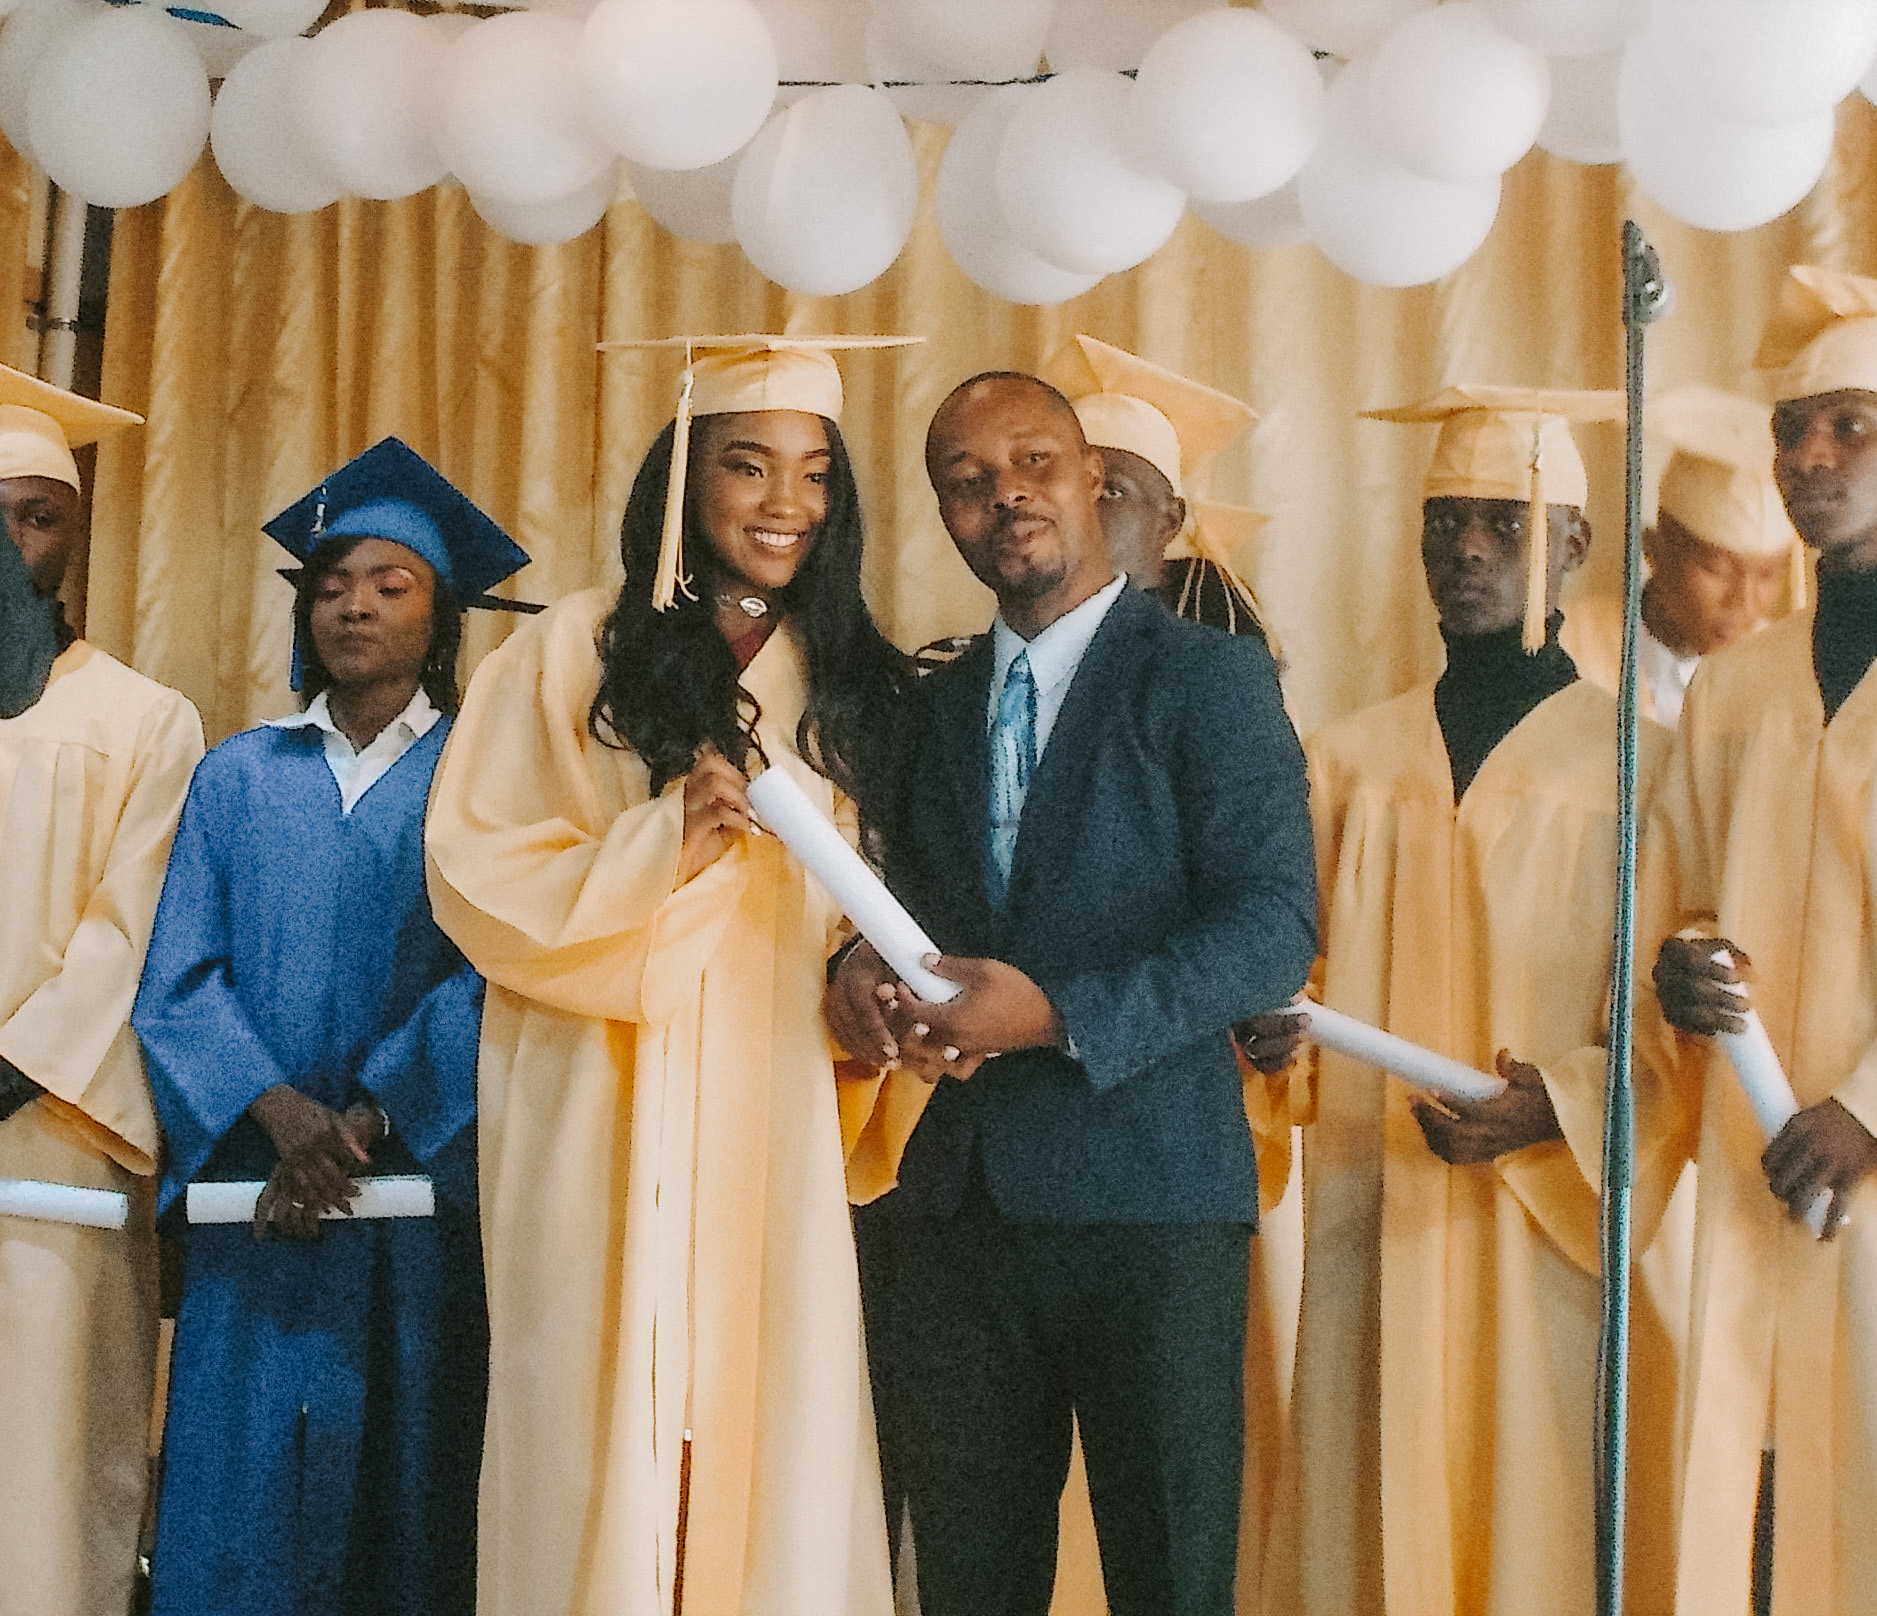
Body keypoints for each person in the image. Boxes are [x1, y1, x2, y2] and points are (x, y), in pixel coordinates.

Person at [424, 337, 914, 1616]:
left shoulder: (857, 678)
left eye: (813, 473)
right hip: (595, 1087)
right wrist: (663, 839)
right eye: (747, 465)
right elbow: (476, 867)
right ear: (686, 477)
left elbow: (888, 907)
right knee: (597, 1403)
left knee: (773, 1408)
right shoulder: (567, 649)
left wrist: (869, 972)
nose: (783, 503)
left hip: (775, 1095)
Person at [827, 370, 1317, 1616]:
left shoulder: (1206, 680)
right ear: (942, 512)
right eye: (966, 481)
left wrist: (1049, 1011)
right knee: (968, 1582)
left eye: (1031, 462)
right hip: (952, 1216)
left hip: (1151, 1203)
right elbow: (890, 912)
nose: (1006, 496)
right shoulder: (922, 709)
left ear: (1091, 476)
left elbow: (1271, 928)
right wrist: (862, 980)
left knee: (1166, 1575)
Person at [1240, 385, 1690, 1616]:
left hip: (1544, 1233)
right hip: (1367, 1213)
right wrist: (1275, 1035)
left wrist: (1563, 1098)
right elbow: (1296, 982)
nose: (1469, 548)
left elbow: (1671, 1017)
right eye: (1445, 519)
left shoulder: (1640, 766)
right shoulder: (1344, 759)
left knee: (1537, 1522)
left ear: (1573, 544)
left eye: (1504, 518)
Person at [132, 439, 528, 1615]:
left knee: (409, 1500)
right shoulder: (237, 774)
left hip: (413, 1193)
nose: (352, 601)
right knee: (235, 1498)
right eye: (330, 581)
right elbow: (178, 977)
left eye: (388, 582)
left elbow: (498, 969)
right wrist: (281, 1111)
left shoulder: (484, 776)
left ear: (443, 610)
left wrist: (369, 1111)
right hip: (257, 1195)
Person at [1645, 264, 1877, 1616]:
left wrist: (1865, 1104)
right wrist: (1680, 960)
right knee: (1760, 1522)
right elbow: (1682, 897)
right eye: (1795, 428)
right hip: (1754, 1170)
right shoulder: (1735, 688)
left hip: (1856, 1149)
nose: (1809, 455)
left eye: (1851, 424)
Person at [0, 364, 203, 1616]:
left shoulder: (146, 719)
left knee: (47, 1469)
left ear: (75, 533)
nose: (12, 542)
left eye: (37, 514)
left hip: (53, 1146)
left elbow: (136, 929)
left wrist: (15, 1066)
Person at [1563, 382, 1802, 725]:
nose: (1743, 602)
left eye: (1767, 574)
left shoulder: (1789, 670)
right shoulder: (1571, 647)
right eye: (1716, 569)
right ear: (1654, 549)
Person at [1040, 332, 1276, 642]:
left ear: (1169, 521)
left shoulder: (1209, 630)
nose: (1081, 509)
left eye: (1111, 491)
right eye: (1070, 488)